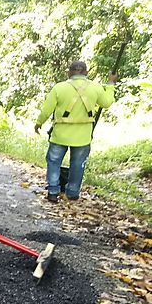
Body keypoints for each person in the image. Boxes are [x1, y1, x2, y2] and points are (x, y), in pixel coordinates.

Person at [34, 61, 117, 202]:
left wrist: (39, 123)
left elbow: (47, 109)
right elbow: (107, 103)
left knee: (54, 162)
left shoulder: (59, 88)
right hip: (83, 136)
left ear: (69, 72)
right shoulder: (95, 88)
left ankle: (53, 191)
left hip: (60, 134)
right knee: (78, 165)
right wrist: (110, 84)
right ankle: (72, 193)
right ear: (86, 72)